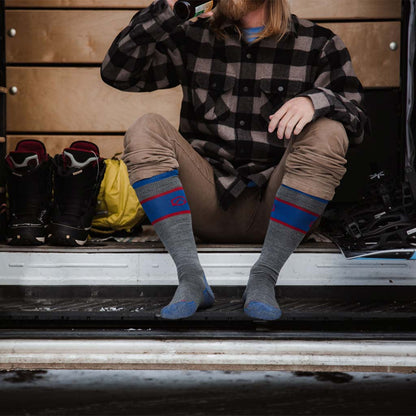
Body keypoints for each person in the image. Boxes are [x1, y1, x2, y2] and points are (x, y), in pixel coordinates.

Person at [100, 0, 369, 320]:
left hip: (279, 206)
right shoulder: (192, 36)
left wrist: (315, 102)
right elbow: (118, 73)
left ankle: (265, 275)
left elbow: (357, 121)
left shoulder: (318, 43)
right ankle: (190, 277)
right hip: (207, 203)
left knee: (329, 130)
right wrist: (168, 11)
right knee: (145, 128)